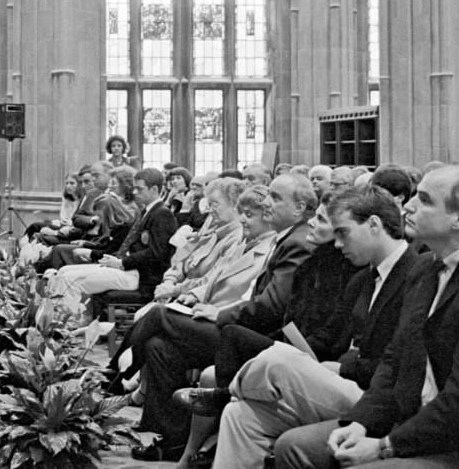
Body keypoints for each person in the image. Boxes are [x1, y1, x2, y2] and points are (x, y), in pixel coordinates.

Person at [272, 165, 459, 469]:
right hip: (405, 419)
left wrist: (386, 446)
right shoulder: (426, 266)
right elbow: (395, 359)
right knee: (293, 446)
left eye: (426, 200)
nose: (409, 205)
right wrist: (360, 422)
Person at [206, 185, 430, 469]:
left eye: (343, 232)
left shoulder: (417, 274)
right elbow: (334, 338)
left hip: (376, 397)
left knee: (277, 360)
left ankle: (224, 392)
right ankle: (231, 396)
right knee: (240, 416)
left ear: (374, 225)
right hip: (346, 383)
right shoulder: (363, 279)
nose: (337, 244)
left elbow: (402, 365)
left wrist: (341, 367)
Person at [130, 171, 318, 462]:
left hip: (257, 337)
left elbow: (270, 308)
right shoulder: (286, 238)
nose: (268, 203)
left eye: (276, 197)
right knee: (160, 348)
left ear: (299, 208)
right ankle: (173, 441)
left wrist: (221, 313)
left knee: (159, 315)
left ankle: (123, 377)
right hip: (240, 323)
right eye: (269, 194)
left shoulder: (297, 242)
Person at [48, 167, 178, 319]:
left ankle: (67, 324)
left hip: (140, 276)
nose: (134, 192)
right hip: (129, 269)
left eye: (139, 188)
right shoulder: (149, 211)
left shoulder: (162, 214)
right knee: (64, 271)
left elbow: (156, 254)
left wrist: (121, 262)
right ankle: (63, 320)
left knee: (68, 279)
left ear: (154, 189)